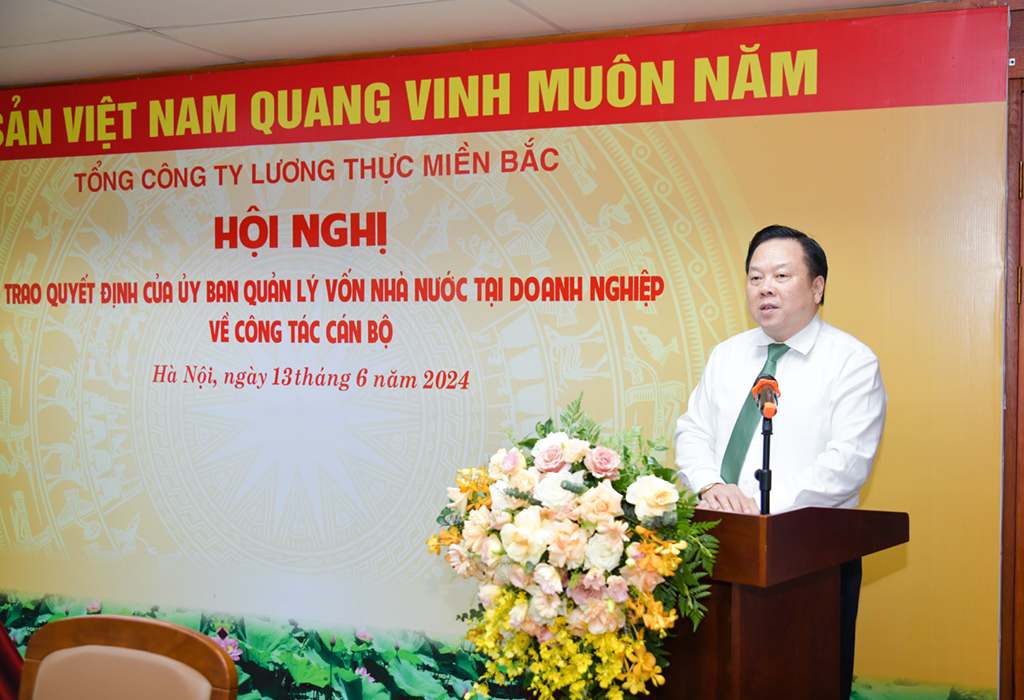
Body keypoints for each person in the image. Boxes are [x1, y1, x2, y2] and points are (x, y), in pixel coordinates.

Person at [673, 224, 886, 700]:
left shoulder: (851, 362)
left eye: (781, 276)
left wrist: (754, 509)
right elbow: (693, 431)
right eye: (755, 277)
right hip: (716, 546)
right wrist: (711, 487)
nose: (764, 287)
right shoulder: (727, 354)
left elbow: (846, 464)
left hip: (811, 558)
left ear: (817, 287)